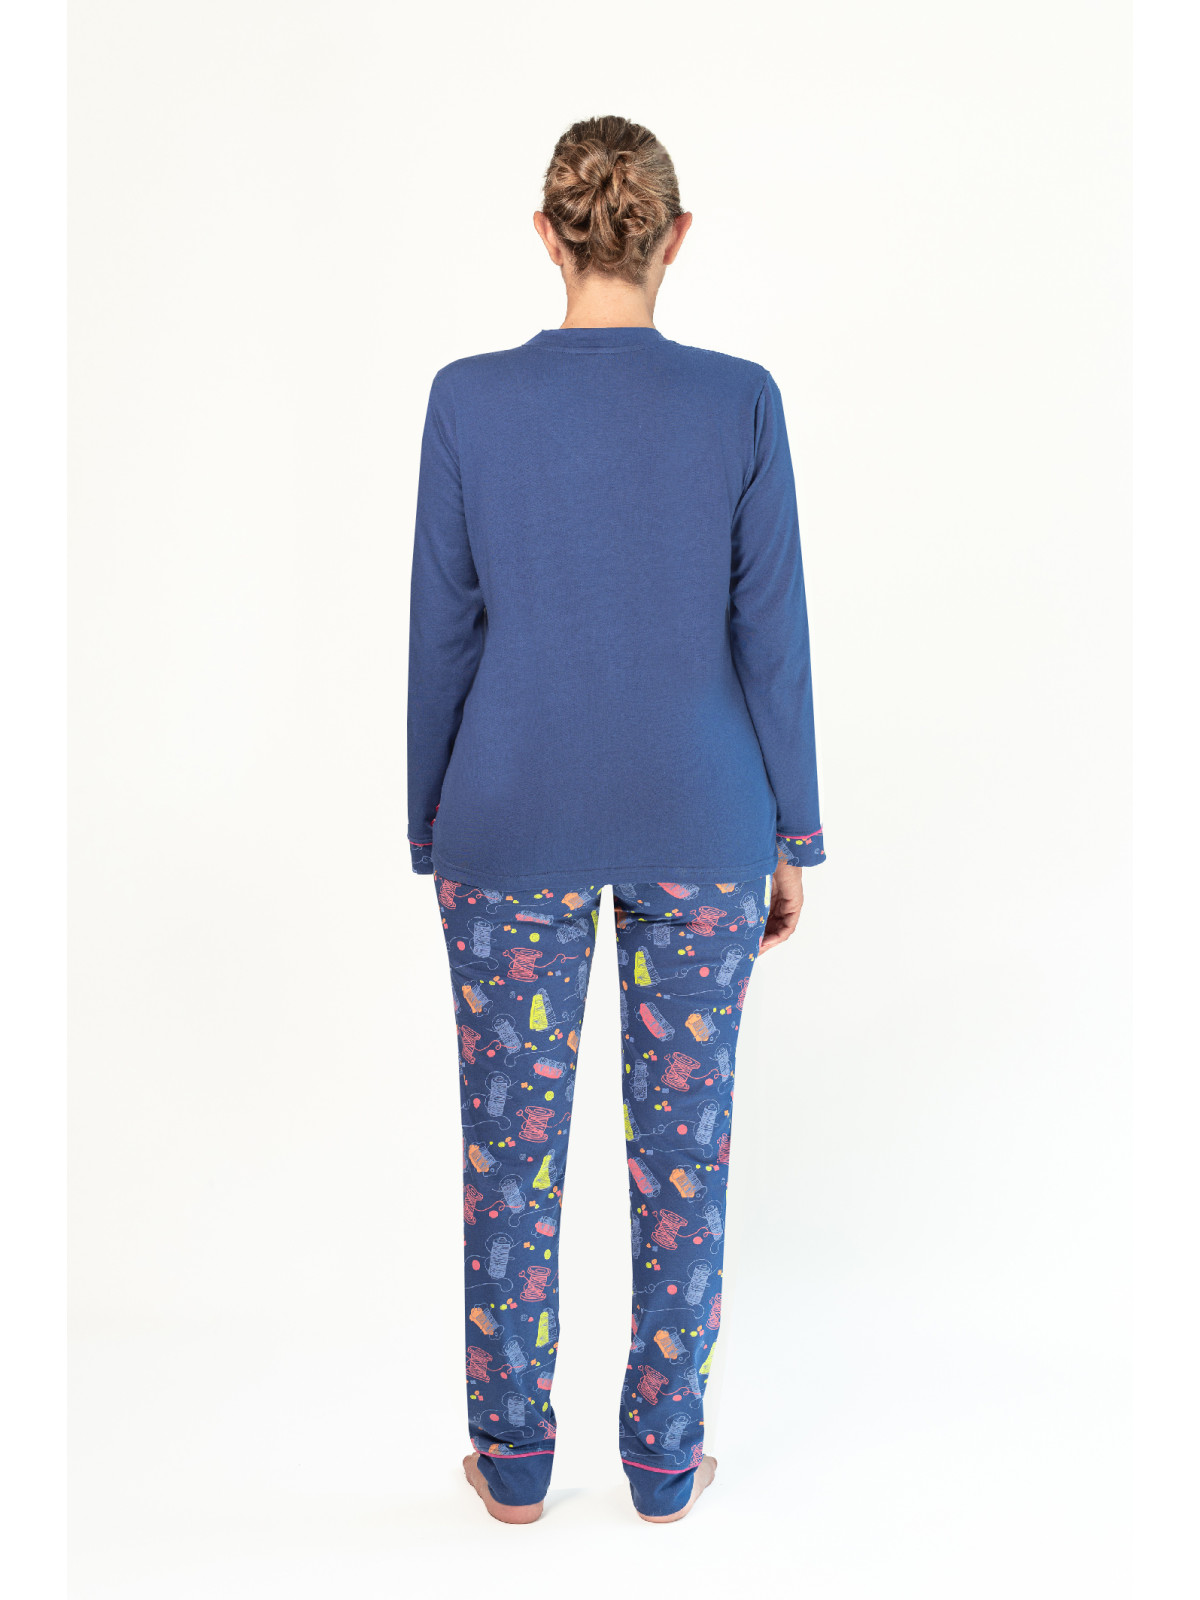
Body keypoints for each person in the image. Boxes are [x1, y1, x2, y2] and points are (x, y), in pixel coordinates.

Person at [406, 115, 825, 1525]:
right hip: (706, 817)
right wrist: (795, 835)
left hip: (507, 818)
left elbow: (444, 632)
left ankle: (514, 1463)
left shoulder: (467, 400)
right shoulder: (740, 401)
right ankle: (662, 1462)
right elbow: (771, 636)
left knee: (509, 1160)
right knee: (684, 1157)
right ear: (674, 238)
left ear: (548, 235)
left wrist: (433, 822)